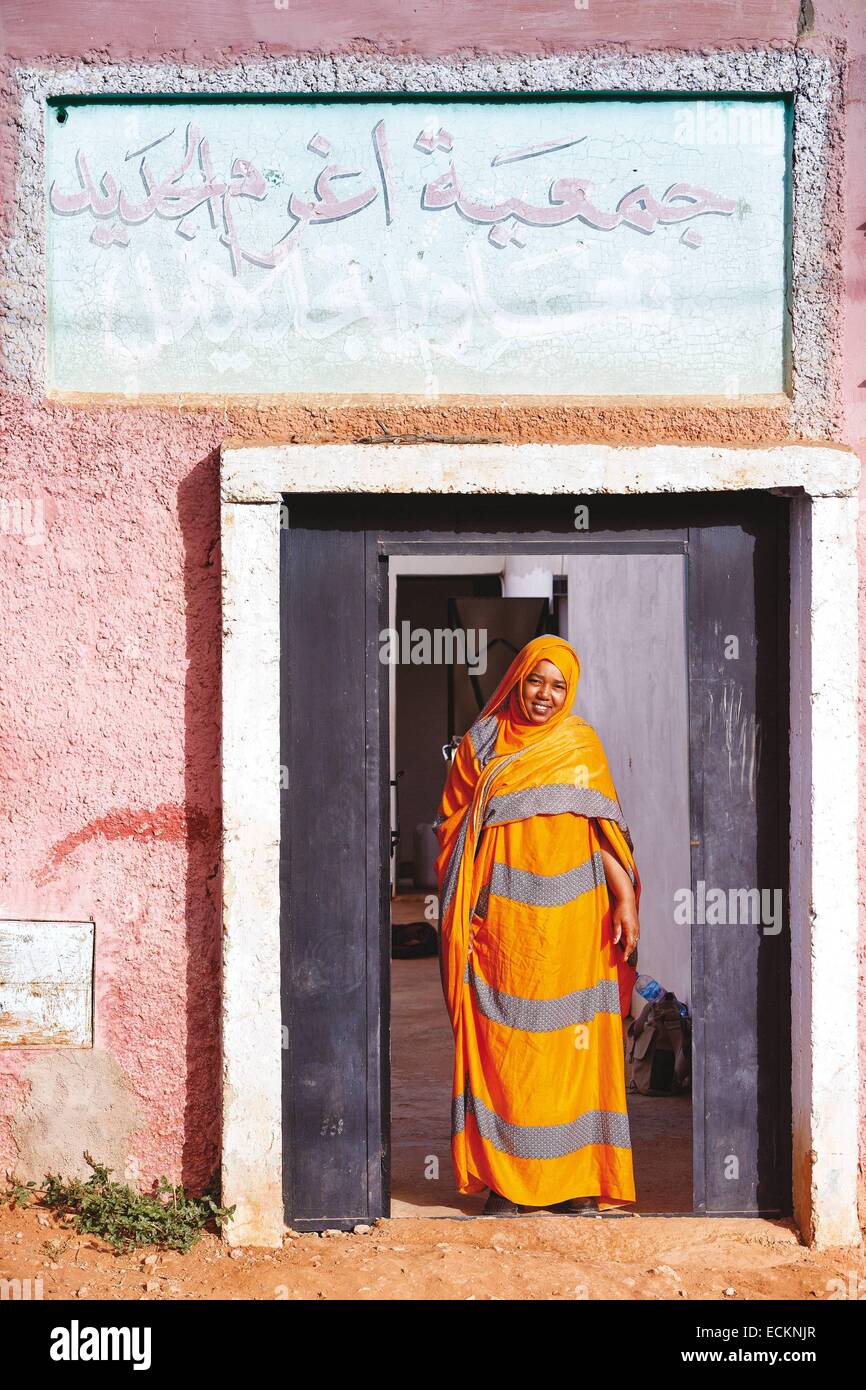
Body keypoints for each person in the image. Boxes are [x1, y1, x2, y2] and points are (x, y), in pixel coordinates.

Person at [433, 635, 640, 1216]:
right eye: (535, 681)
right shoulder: (480, 745)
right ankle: (507, 1181)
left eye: (558, 686)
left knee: (575, 1045)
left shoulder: (580, 744)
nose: (545, 696)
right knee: (508, 1042)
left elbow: (602, 830)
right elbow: (452, 828)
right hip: (503, 923)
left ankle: (574, 1182)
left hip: (576, 919)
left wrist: (623, 899)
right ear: (516, 680)